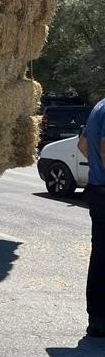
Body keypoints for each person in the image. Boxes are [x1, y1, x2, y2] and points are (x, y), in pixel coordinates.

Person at [78, 98, 105, 338]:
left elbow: (83, 145)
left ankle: (97, 319)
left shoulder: (100, 107)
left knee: (100, 256)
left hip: (98, 190)